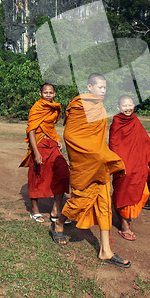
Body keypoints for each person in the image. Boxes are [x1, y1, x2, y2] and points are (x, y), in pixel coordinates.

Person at [51, 73, 131, 268]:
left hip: (98, 164)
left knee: (104, 205)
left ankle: (105, 251)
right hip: (86, 164)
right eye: (100, 87)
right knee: (79, 201)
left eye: (105, 88)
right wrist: (96, 155)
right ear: (89, 87)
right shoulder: (79, 105)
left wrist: (101, 155)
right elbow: (71, 135)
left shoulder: (101, 107)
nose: (103, 91)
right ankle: (59, 223)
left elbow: (97, 138)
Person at [109, 95, 150, 241]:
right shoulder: (116, 122)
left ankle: (121, 212)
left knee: (143, 193)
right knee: (125, 193)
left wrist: (149, 158)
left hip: (138, 164)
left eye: (130, 105)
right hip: (124, 165)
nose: (128, 108)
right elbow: (114, 144)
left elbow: (144, 141)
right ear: (118, 108)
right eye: (124, 106)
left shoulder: (135, 121)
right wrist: (120, 163)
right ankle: (124, 226)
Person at [19, 83, 69, 223]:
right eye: (45, 92)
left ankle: (56, 210)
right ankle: (35, 210)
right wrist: (36, 152)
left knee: (63, 172)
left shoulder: (54, 107)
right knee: (37, 175)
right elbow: (31, 130)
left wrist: (56, 139)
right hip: (39, 143)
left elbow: (50, 126)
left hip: (51, 143)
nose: (48, 95)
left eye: (51, 92)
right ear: (40, 94)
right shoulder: (37, 108)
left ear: (54, 94)